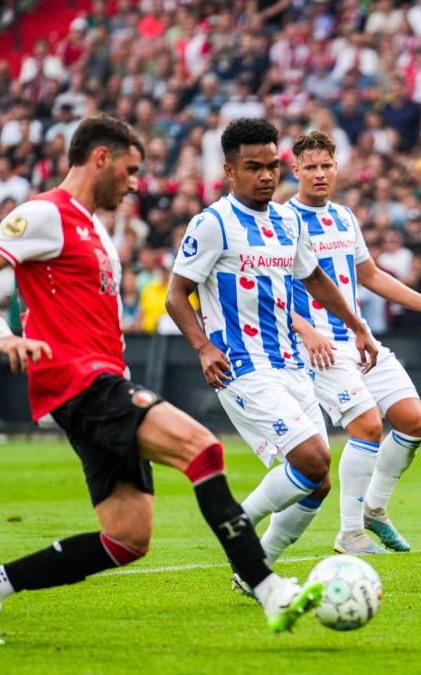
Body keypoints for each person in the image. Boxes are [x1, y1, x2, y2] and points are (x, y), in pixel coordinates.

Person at [0, 115, 321, 644]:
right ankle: (267, 587)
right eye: (129, 170)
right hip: (81, 381)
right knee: (203, 449)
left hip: (99, 381)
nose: (133, 183)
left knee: (127, 539)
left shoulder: (93, 228)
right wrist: (2, 334)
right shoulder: (45, 213)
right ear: (100, 158)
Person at [164, 119, 379, 589]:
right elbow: (176, 294)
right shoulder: (212, 224)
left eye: (272, 166)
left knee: (317, 480)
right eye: (253, 167)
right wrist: (203, 348)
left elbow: (316, 278)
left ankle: (253, 567)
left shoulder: (287, 220)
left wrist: (356, 325)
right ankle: (238, 527)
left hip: (292, 364)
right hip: (242, 367)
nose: (266, 175)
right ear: (229, 171)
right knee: (313, 459)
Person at [284, 130, 421, 555]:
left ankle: (374, 509)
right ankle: (350, 533)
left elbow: (370, 275)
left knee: (414, 422)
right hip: (316, 347)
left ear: (337, 168)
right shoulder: (282, 221)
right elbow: (269, 291)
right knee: (368, 426)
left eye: (326, 166)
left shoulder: (343, 217)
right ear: (295, 170)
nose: (319, 174)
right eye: (310, 167)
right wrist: (305, 328)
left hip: (359, 340)